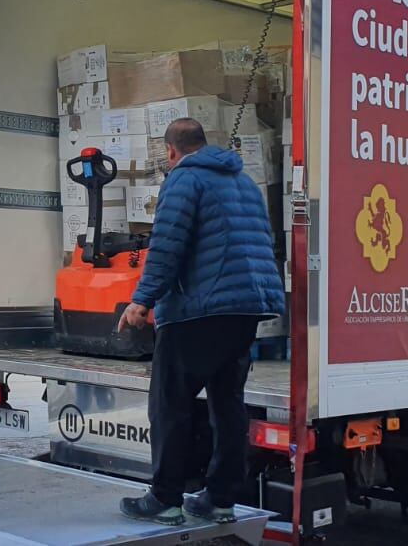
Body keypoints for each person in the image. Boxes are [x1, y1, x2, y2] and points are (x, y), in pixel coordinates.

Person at [116, 118, 286, 525]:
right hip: (245, 309)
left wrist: (142, 300)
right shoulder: (243, 183)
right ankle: (221, 498)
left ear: (171, 151)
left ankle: (165, 498)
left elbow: (167, 245)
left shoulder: (183, 180)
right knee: (227, 404)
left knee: (170, 403)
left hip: (199, 310)